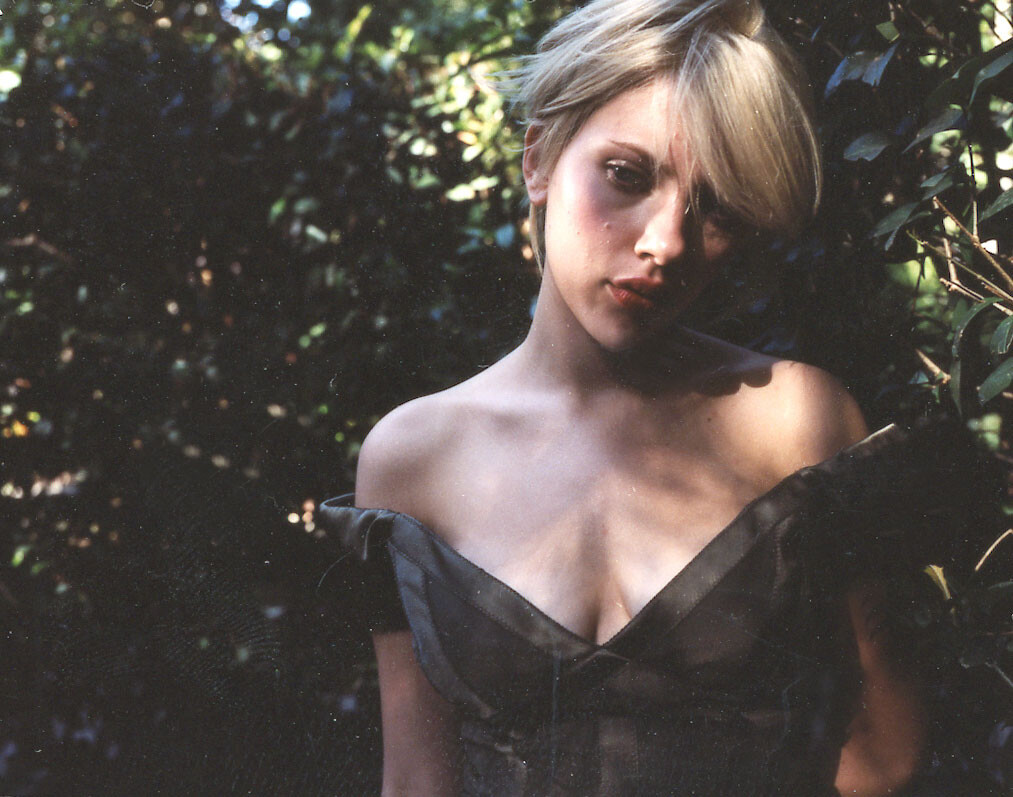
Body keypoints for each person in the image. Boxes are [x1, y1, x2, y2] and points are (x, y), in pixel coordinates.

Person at [317, 0, 991, 793]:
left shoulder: (797, 421)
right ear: (538, 159)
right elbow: (415, 778)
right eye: (626, 176)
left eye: (716, 210)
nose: (665, 243)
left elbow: (886, 753)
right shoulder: (412, 457)